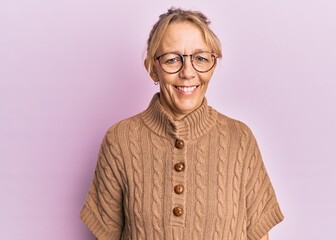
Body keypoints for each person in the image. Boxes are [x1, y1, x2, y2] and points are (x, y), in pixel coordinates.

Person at [80, 7, 284, 240]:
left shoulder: (240, 138)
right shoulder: (119, 139)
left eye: (200, 58)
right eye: (172, 59)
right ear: (152, 68)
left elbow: (259, 235)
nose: (188, 72)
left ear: (213, 65)